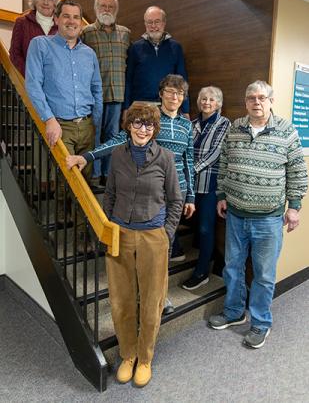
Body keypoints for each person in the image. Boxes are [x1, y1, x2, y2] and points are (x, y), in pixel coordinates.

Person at [68, 103, 183, 386]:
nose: (142, 129)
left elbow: (176, 200)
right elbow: (109, 195)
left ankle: (144, 358)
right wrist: (107, 227)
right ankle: (127, 354)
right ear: (128, 125)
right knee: (121, 301)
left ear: (155, 129)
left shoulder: (165, 157)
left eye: (148, 124)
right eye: (137, 123)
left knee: (152, 301)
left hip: (153, 236)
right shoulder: (118, 155)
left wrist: (166, 234)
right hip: (120, 236)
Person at [66, 74, 195, 311]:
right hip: (148, 194)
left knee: (163, 249)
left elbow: (189, 162)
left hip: (176, 194)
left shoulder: (188, 126)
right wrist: (87, 157)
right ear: (161, 93)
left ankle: (159, 296)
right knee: (139, 252)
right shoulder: (149, 119)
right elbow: (117, 142)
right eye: (169, 91)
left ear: (183, 98)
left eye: (179, 93)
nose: (174, 97)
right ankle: (137, 294)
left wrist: (191, 197)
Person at [208, 80, 308, 349]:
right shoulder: (235, 128)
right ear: (246, 101)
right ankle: (233, 313)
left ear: (270, 101)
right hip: (236, 215)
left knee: (263, 274)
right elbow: (224, 164)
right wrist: (221, 196)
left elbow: (297, 171)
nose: (256, 102)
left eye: (262, 97)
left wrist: (295, 207)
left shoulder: (287, 131)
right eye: (251, 97)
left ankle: (261, 323)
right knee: (232, 267)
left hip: (269, 218)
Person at [25, 0, 103, 246]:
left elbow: (97, 88)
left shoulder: (89, 53)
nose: (71, 21)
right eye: (66, 16)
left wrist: (96, 122)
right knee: (74, 179)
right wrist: (48, 119)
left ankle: (61, 208)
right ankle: (82, 234)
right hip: (60, 124)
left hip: (87, 125)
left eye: (76, 17)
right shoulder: (41, 45)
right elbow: (32, 85)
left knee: (85, 177)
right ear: (56, 19)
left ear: (81, 22)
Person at [182, 86, 230, 291]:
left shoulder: (224, 123)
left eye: (212, 99)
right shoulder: (190, 124)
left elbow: (215, 153)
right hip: (189, 184)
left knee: (205, 228)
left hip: (210, 184)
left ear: (218, 103)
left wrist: (190, 169)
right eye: (203, 99)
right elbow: (184, 150)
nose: (207, 102)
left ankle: (202, 272)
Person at [81, 0, 130, 184]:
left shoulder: (125, 33)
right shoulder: (87, 33)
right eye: (103, 6)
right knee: (95, 135)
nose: (107, 10)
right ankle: (94, 175)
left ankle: (108, 175)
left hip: (117, 94)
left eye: (111, 7)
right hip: (95, 95)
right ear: (96, 8)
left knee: (113, 136)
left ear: (115, 10)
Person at [123, 6, 190, 119]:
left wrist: (185, 109)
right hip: (140, 106)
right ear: (145, 24)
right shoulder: (135, 48)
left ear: (164, 23)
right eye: (149, 22)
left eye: (157, 22)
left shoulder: (176, 47)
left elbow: (182, 81)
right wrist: (125, 108)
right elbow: (128, 80)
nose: (153, 26)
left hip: (168, 105)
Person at [10, 0, 59, 77]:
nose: (46, 2)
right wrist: (31, 76)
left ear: (54, 3)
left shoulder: (61, 26)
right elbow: (15, 54)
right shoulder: (22, 22)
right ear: (35, 0)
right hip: (29, 82)